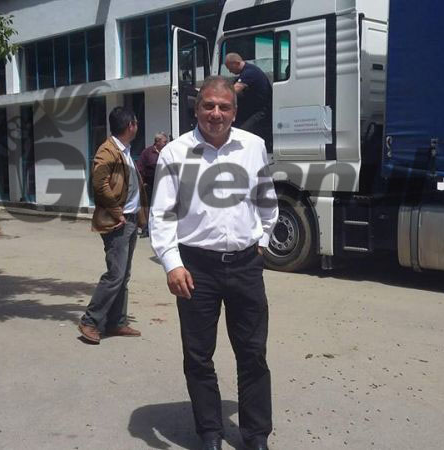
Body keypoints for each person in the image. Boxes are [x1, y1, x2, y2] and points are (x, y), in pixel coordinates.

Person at [150, 76, 279, 450]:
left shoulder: (253, 147)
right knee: (198, 355)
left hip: (245, 265)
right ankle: (209, 432)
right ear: (197, 109)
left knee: (253, 353)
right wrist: (172, 264)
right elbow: (161, 214)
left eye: (224, 106)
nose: (216, 113)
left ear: (234, 112)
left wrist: (262, 243)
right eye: (209, 105)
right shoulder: (174, 153)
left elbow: (266, 200)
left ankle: (256, 435)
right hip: (196, 269)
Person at [78, 107, 148, 345]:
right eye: (136, 122)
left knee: (123, 275)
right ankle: (90, 321)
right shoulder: (107, 151)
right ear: (130, 126)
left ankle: (116, 322)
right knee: (115, 274)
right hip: (117, 221)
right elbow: (100, 184)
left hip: (130, 220)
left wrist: (140, 217)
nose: (137, 126)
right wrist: (118, 213)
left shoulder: (124, 150)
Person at [224, 53, 273, 144]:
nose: (230, 71)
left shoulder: (250, 72)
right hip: (254, 111)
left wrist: (218, 95)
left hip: (261, 112)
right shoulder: (246, 72)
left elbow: (234, 90)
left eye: (229, 68)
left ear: (236, 63)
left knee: (242, 133)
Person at [135, 132, 169, 237]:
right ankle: (146, 229)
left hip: (164, 185)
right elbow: (140, 168)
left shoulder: (168, 152)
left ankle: (162, 228)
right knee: (148, 207)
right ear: (157, 142)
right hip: (150, 184)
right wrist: (142, 183)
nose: (166, 143)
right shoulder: (147, 153)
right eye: (164, 142)